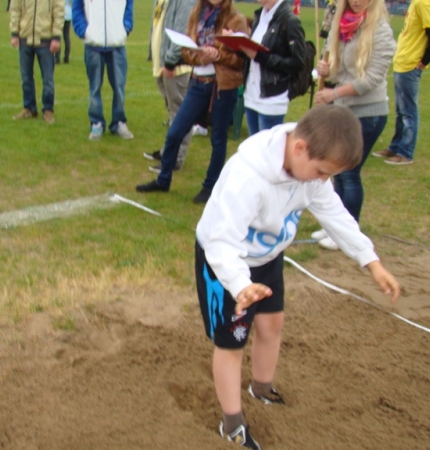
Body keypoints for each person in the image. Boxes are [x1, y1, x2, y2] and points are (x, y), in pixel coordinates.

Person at [195, 105, 400, 449]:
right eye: (321, 172)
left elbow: (334, 213)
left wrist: (371, 260)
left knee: (272, 324)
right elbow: (220, 241)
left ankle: (261, 388)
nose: (322, 180)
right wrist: (241, 285)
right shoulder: (248, 176)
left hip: (268, 258)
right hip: (227, 264)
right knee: (232, 343)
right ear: (299, 148)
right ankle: (232, 424)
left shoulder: (313, 168)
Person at [136, 0, 248, 204]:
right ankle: (163, 180)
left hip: (222, 86)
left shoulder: (236, 19)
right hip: (198, 82)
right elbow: (186, 51)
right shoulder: (197, 13)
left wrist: (217, 55)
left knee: (218, 138)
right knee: (175, 131)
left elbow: (242, 59)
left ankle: (210, 186)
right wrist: (201, 58)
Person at [310, 0, 395, 251]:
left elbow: (370, 80)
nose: (357, 1)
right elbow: (339, 72)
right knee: (338, 172)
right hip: (345, 112)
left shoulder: (380, 31)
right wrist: (325, 69)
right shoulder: (341, 25)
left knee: (349, 173)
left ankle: (348, 232)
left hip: (368, 114)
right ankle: (335, 227)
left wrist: (333, 95)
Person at [371, 0, 430, 165]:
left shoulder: (423, 3)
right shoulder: (415, 2)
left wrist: (425, 59)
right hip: (402, 64)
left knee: (409, 111)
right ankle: (395, 147)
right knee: (401, 111)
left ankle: (406, 152)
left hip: (411, 65)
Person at [141, 0, 196, 174]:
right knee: (172, 111)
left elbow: (181, 31)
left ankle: (175, 159)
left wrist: (171, 61)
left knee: (180, 114)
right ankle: (168, 151)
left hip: (176, 66)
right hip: (163, 64)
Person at [238, 0, 306, 136]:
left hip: (272, 98)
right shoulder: (260, 16)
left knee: (268, 152)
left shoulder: (289, 20)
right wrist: (237, 44)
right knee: (256, 151)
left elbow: (298, 63)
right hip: (251, 95)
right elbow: (252, 54)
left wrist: (260, 57)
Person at [72, 0, 134, 140]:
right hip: (93, 45)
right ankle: (96, 122)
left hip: (117, 45)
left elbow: (129, 6)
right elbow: (77, 8)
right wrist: (84, 31)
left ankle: (119, 122)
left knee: (119, 87)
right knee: (94, 87)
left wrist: (125, 28)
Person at [10, 0, 64, 123]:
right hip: (25, 38)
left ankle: (48, 109)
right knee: (26, 78)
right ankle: (29, 108)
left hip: (46, 40)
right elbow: (15, 9)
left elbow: (58, 11)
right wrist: (14, 33)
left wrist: (56, 37)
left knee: (48, 79)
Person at [54, 0, 70, 64]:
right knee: (66, 36)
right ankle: (66, 57)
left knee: (58, 36)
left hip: (60, 14)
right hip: (68, 15)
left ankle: (57, 58)